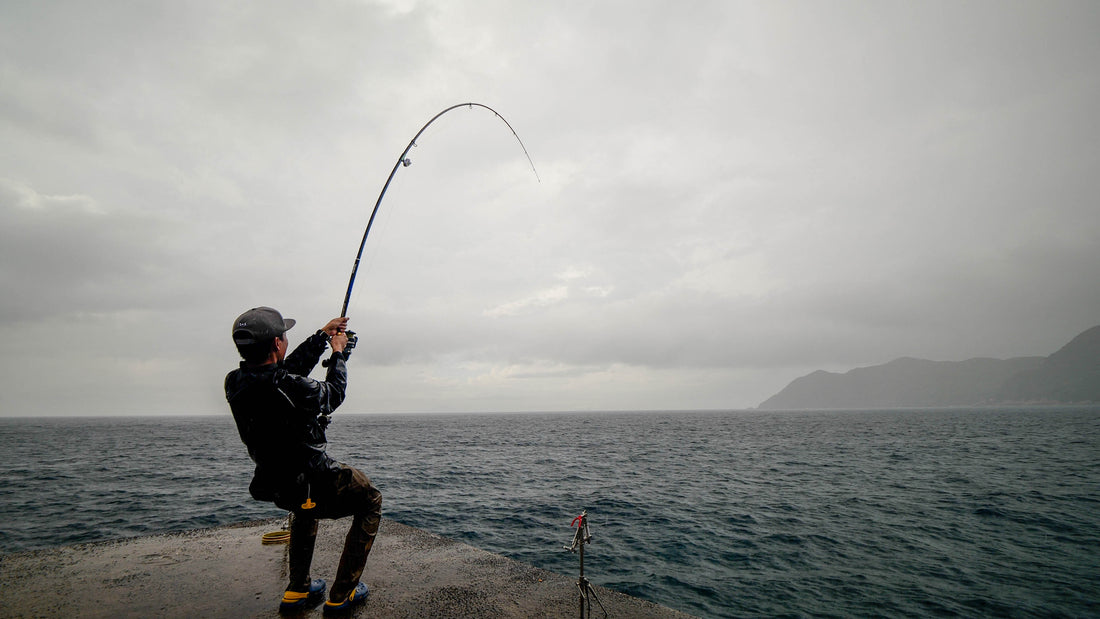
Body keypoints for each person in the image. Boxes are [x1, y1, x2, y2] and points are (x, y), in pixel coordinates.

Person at [224, 306, 382, 615]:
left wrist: (322, 336)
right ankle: (342, 594)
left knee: (302, 506)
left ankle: (297, 589)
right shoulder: (293, 388)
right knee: (370, 499)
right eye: (283, 335)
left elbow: (285, 372)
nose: (285, 339)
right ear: (276, 345)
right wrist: (338, 354)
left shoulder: (235, 382)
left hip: (278, 483)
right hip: (316, 479)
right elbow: (334, 393)